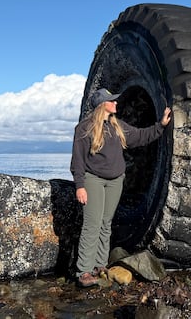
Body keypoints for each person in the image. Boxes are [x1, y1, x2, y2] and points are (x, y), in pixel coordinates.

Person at [70, 88, 172, 287]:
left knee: (106, 223)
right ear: (102, 105)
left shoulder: (117, 126)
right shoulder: (84, 128)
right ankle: (83, 271)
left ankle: (100, 265)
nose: (116, 103)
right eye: (112, 101)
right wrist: (79, 186)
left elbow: (142, 136)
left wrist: (161, 125)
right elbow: (78, 161)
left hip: (115, 180)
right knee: (93, 224)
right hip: (93, 180)